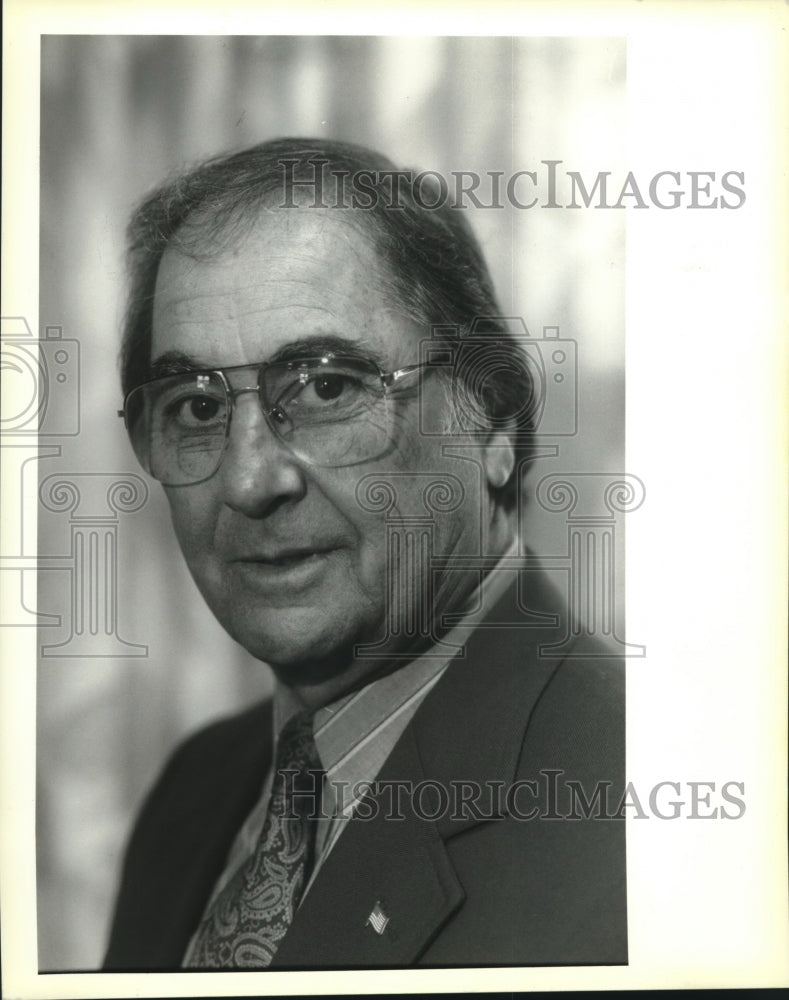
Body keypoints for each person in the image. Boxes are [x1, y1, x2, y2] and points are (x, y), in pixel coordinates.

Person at [104, 137, 626, 970]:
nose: (248, 479)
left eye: (324, 388)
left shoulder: (635, 808)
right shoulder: (196, 791)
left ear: (491, 418)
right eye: (196, 407)